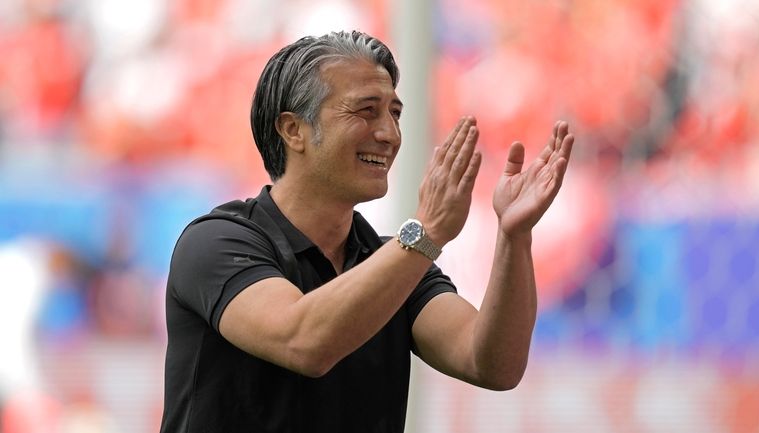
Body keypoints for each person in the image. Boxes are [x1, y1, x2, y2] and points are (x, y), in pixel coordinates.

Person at [160, 30, 574, 433]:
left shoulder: (395, 262)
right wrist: (425, 232)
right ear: (292, 130)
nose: (389, 134)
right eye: (366, 110)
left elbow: (492, 365)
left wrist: (514, 238)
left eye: (394, 113)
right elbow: (303, 341)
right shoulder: (216, 242)